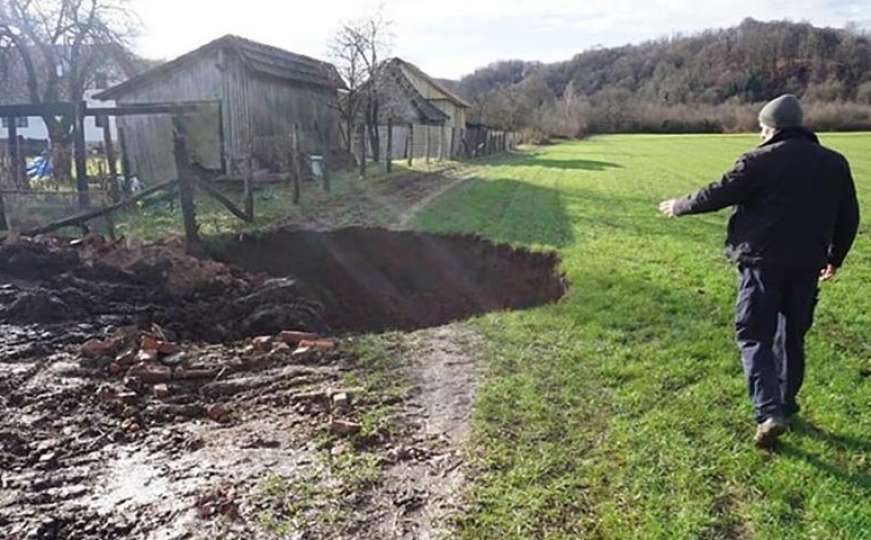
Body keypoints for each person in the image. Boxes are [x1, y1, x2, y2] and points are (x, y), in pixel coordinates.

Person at [658, 94, 860, 448]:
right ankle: (786, 402)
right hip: (807, 265)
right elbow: (849, 216)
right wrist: (835, 257)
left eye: (762, 127)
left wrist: (679, 206)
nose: (760, 133)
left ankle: (769, 412)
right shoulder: (835, 163)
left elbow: (717, 193)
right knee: (791, 336)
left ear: (771, 128)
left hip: (761, 265)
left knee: (753, 335)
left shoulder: (758, 161)